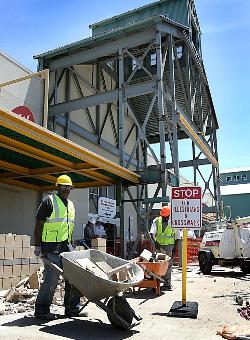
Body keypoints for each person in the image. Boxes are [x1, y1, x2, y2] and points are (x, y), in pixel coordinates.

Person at [34, 174, 87, 320]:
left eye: (68, 186)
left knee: (74, 277)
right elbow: (39, 224)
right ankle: (41, 310)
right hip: (51, 248)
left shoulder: (70, 204)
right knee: (51, 279)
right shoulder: (48, 201)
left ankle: (72, 309)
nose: (66, 189)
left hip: (66, 247)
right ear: (58, 186)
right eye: (63, 186)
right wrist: (37, 246)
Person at [150, 205, 180, 291]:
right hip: (158, 245)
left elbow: (177, 236)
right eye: (164, 217)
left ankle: (167, 284)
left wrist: (174, 249)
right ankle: (156, 282)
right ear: (161, 215)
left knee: (168, 264)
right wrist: (155, 243)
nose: (165, 219)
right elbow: (152, 233)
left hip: (169, 246)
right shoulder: (156, 220)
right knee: (156, 264)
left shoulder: (174, 222)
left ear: (170, 216)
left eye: (167, 217)